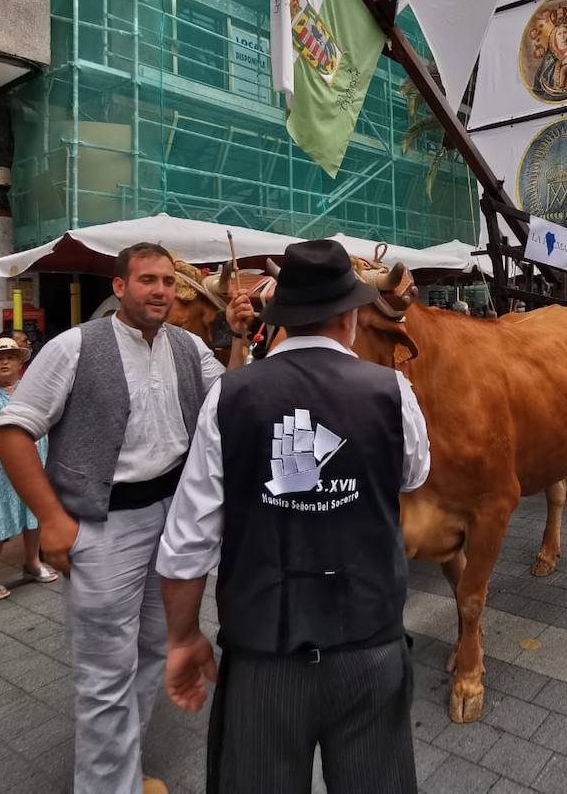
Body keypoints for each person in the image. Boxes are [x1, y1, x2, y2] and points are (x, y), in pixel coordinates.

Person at [158, 238, 429, 793]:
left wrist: (183, 637)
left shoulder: (229, 396)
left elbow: (187, 543)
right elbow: (413, 476)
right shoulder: (391, 391)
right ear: (351, 316)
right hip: (369, 645)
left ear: (280, 319)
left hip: (263, 654)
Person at [0, 242, 250, 794]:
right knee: (105, 674)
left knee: (155, 650)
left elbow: (229, 400)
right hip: (103, 525)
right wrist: (52, 519)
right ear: (120, 287)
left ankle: (123, 777)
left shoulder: (186, 345)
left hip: (170, 518)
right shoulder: (74, 347)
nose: (159, 291)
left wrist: (241, 336)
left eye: (166, 282)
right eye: (147, 280)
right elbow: (12, 433)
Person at [0, 338, 57, 600]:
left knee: (35, 511)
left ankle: (32, 562)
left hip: (36, 458)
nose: (5, 361)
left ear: (20, 363)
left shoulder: (31, 389)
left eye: (11, 357)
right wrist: (19, 441)